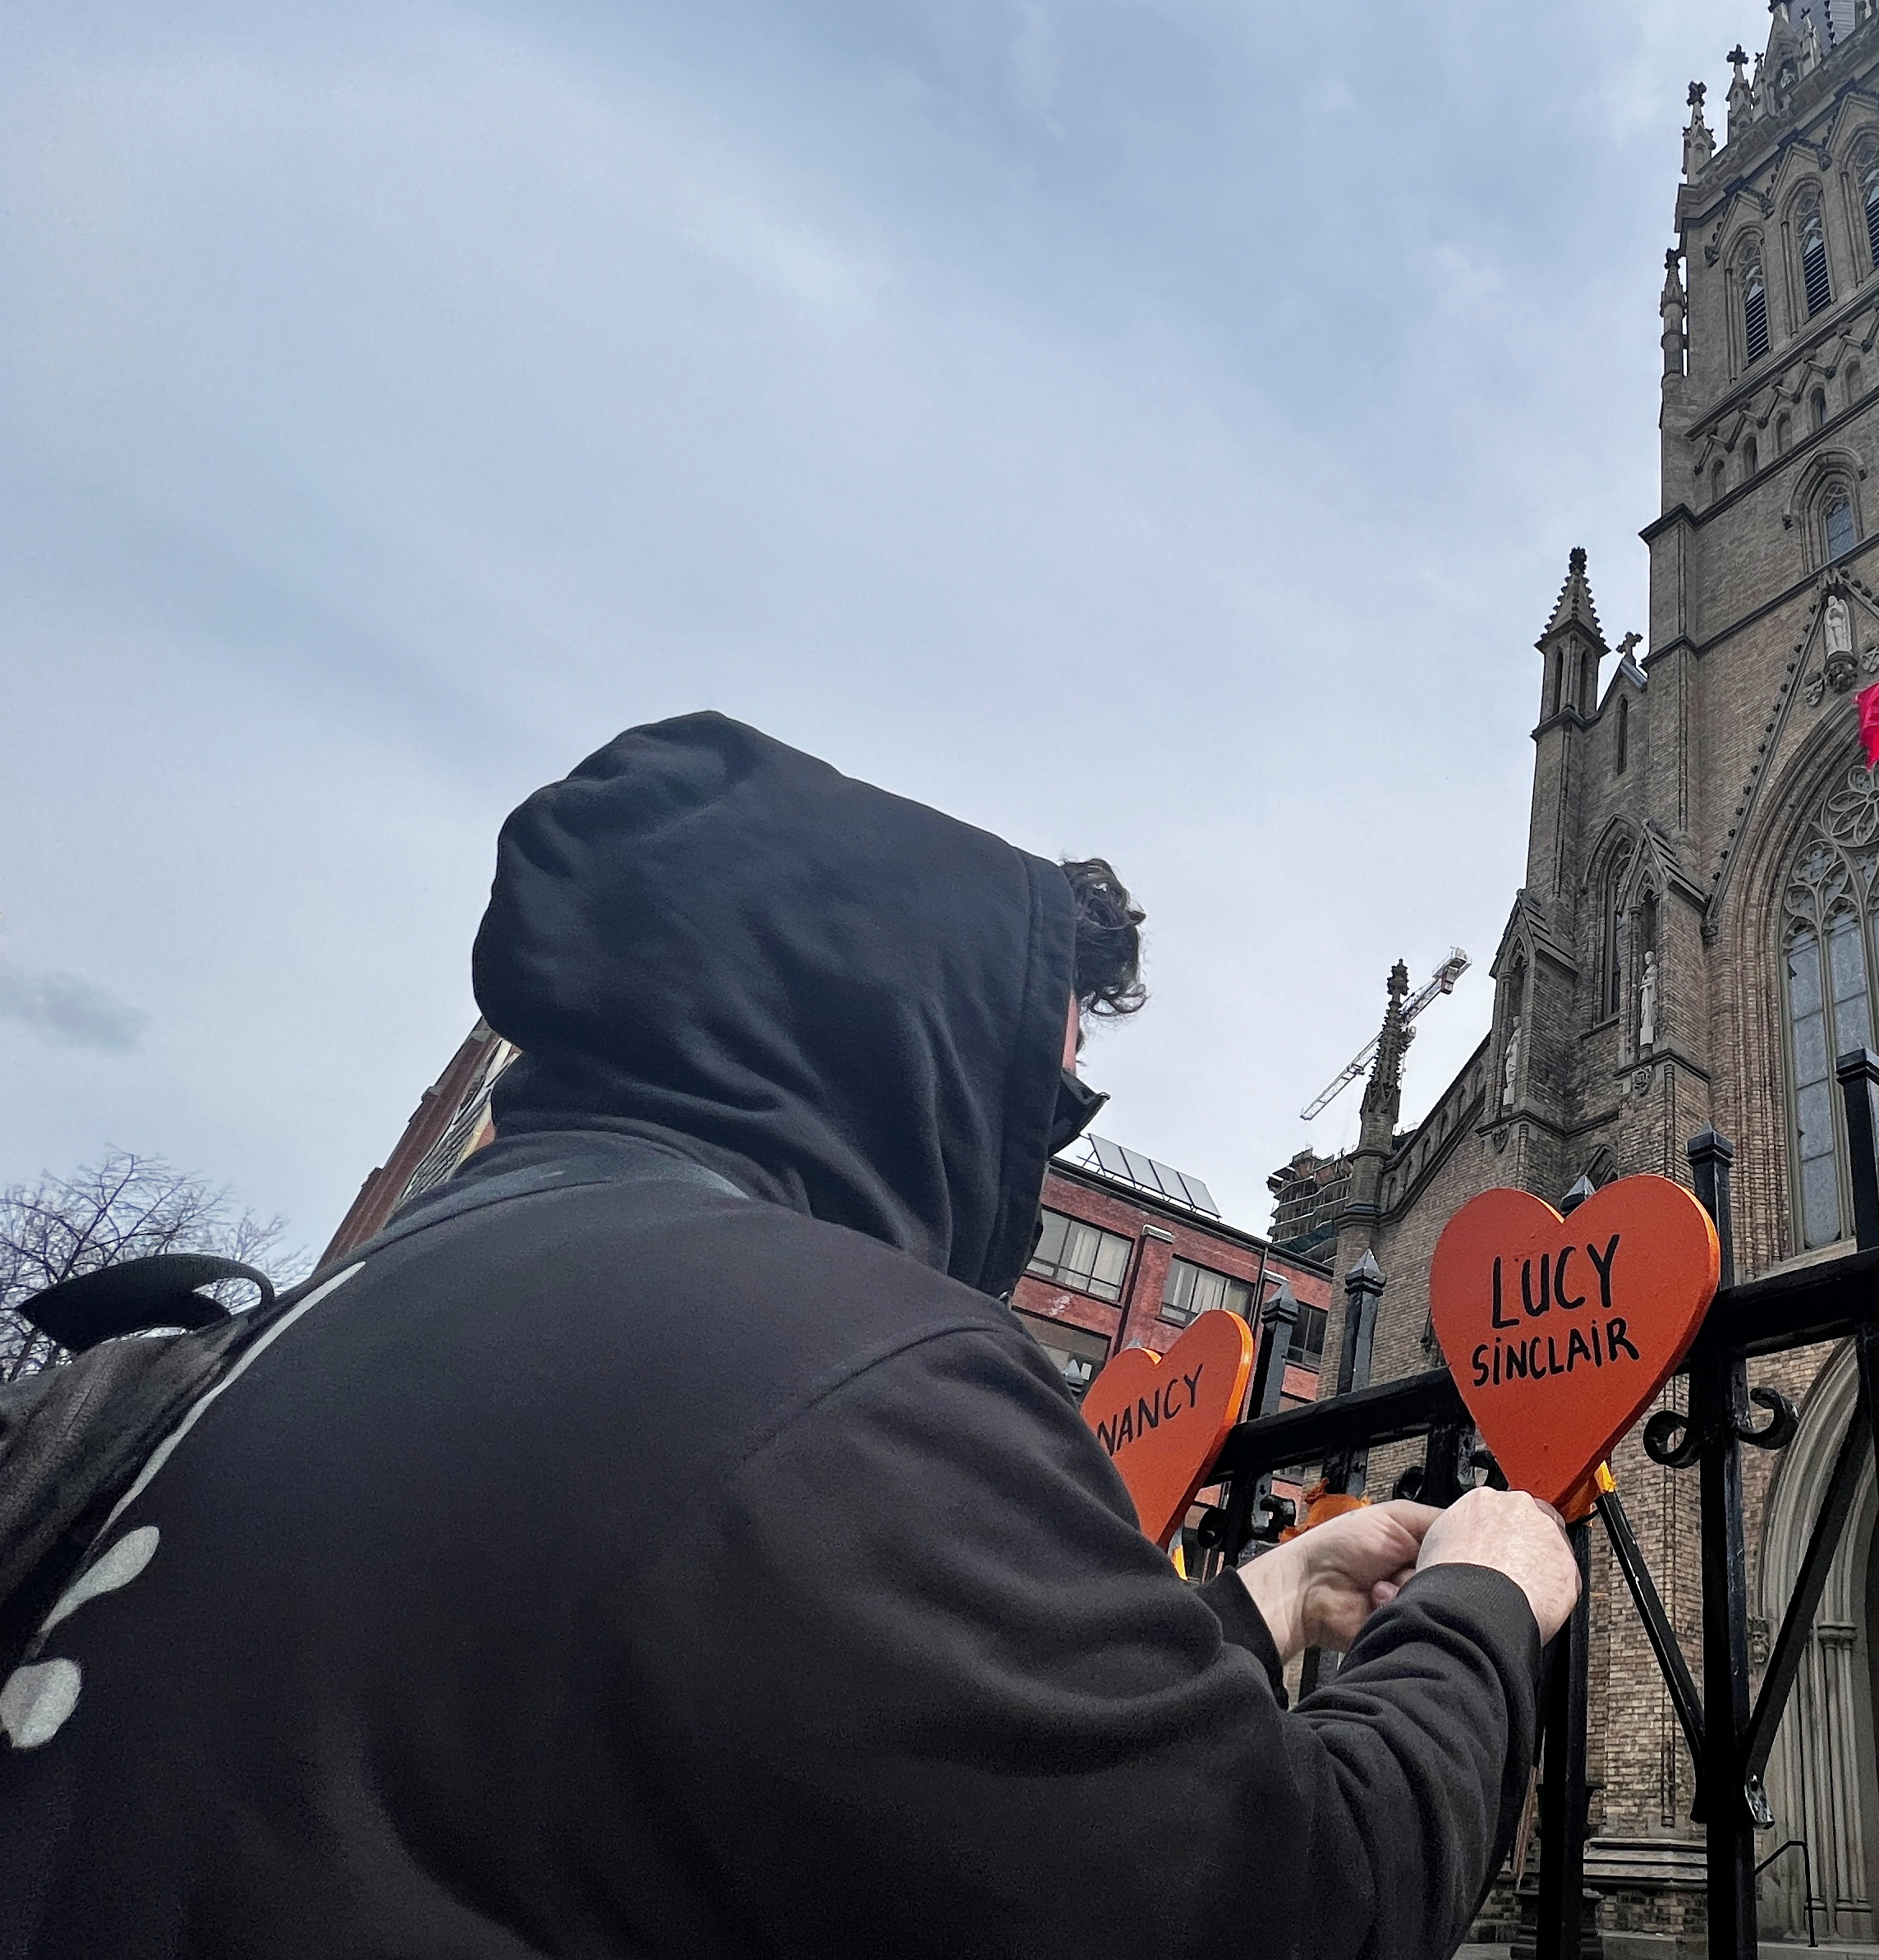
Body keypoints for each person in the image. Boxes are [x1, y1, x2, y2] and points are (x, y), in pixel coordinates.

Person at [0, 712, 1578, 1959]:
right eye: (1052, 1098)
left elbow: (799, 1715)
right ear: (907, 1046)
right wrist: (1479, 1610)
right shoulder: (844, 1361)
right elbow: (1282, 1907)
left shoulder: (321, 1335)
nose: (1041, 1157)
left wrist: (1262, 1600)